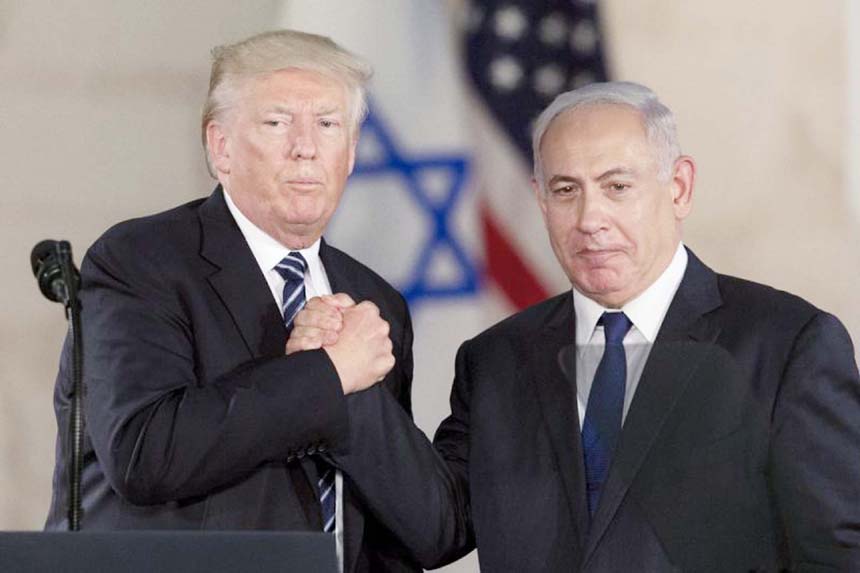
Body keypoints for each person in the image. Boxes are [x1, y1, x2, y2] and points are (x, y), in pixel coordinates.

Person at [289, 82, 860, 571]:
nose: (590, 220)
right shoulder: (495, 360)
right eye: (566, 190)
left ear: (679, 187)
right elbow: (438, 528)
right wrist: (346, 384)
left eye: (617, 186)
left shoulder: (787, 345)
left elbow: (838, 554)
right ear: (540, 199)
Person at [45, 29, 420, 572]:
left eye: (328, 124)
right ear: (220, 147)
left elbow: (384, 520)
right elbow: (145, 453)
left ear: (353, 153)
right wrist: (326, 375)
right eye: (276, 123)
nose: (305, 146)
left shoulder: (374, 300)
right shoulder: (141, 260)